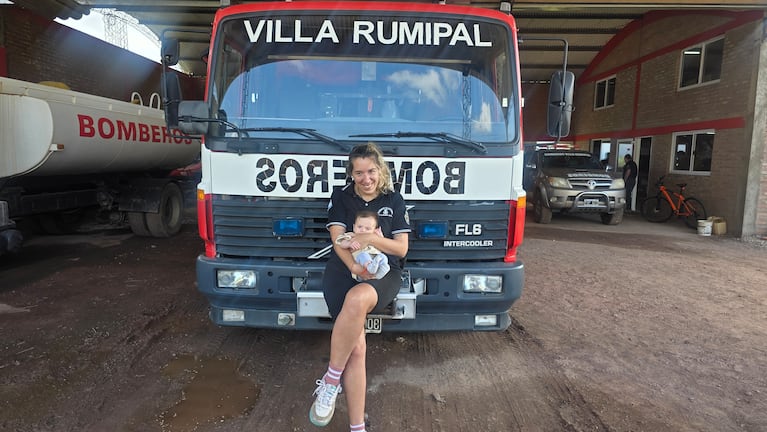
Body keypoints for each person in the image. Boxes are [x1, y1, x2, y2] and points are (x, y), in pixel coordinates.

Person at [310, 143, 411, 432]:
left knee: (357, 300)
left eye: (371, 171)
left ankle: (330, 381)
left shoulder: (394, 199)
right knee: (355, 348)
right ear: (351, 174)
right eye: (359, 173)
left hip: (384, 273)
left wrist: (371, 241)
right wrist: (354, 267)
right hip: (342, 271)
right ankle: (357, 428)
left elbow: (401, 249)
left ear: (380, 169)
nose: (366, 179)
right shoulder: (342, 197)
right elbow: (338, 239)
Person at [334, 210, 391, 281]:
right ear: (354, 227)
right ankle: (370, 267)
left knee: (383, 257)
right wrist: (349, 244)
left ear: (374, 230)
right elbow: (340, 243)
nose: (363, 230)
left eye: (367, 228)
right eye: (359, 227)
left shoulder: (375, 237)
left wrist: (380, 237)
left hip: (375, 260)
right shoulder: (352, 236)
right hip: (360, 264)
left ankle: (381, 271)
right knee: (363, 255)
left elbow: (383, 246)